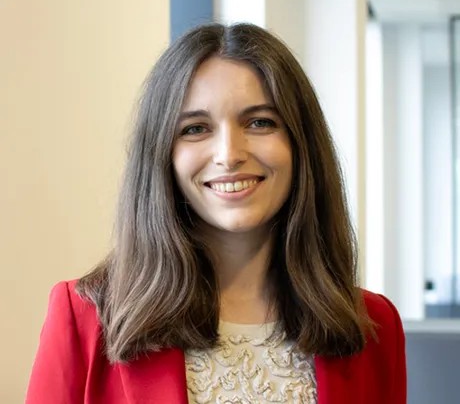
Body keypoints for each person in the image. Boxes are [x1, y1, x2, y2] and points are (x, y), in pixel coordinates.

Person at [26, 23, 406, 404]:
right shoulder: (82, 318)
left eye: (260, 122)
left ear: (300, 143)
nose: (229, 154)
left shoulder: (375, 329)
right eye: (195, 128)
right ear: (162, 153)